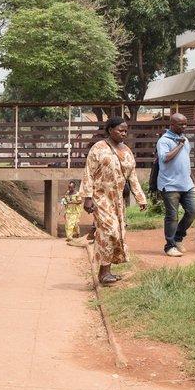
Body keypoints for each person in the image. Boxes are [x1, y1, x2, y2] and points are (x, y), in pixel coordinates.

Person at [80, 117, 147, 285]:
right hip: (100, 197)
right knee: (110, 231)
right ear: (110, 130)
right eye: (120, 130)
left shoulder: (127, 151)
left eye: (125, 131)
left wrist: (140, 198)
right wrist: (87, 198)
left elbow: (132, 177)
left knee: (116, 234)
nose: (124, 133)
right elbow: (88, 172)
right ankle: (103, 272)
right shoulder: (98, 148)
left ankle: (105, 272)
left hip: (117, 199)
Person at [156, 113, 195, 257]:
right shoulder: (164, 141)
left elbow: (185, 162)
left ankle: (178, 237)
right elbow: (165, 158)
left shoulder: (185, 140)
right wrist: (179, 145)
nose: (184, 127)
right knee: (172, 216)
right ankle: (170, 246)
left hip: (187, 184)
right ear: (172, 125)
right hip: (170, 185)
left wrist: (192, 180)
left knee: (193, 211)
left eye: (186, 124)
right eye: (181, 124)